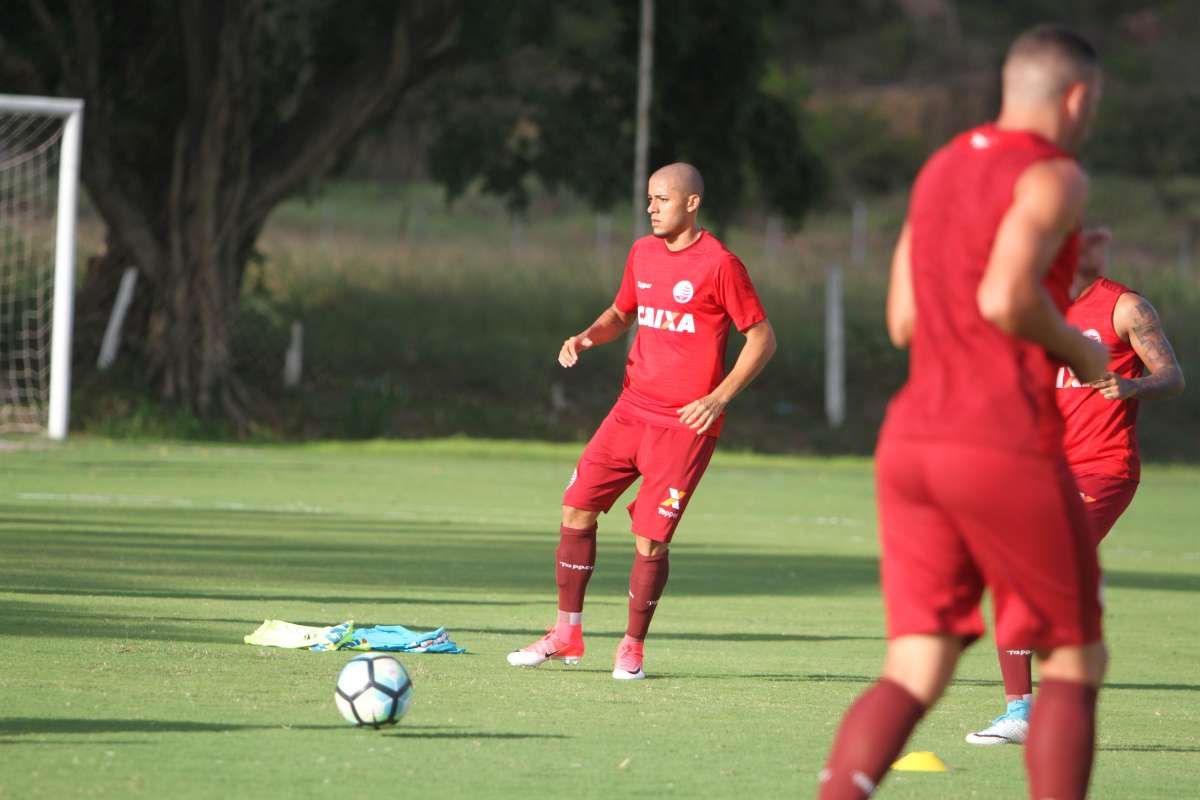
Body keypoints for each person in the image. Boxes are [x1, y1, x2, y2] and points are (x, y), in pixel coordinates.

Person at [818, 25, 1111, 800]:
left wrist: (1056, 270)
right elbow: (1004, 297)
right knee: (1075, 659)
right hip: (1000, 439)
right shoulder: (1056, 174)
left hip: (911, 442)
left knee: (915, 667)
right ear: (1077, 97)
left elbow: (904, 320)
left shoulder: (941, 166)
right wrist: (1081, 350)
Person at [506, 162, 776, 680]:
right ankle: (566, 634)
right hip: (629, 411)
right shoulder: (642, 253)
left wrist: (718, 398)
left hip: (684, 426)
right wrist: (587, 336)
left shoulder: (720, 263)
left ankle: (632, 647)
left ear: (691, 203)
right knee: (576, 508)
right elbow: (622, 312)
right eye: (648, 199)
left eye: (661, 199)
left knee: (650, 540)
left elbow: (762, 338)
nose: (650, 207)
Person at [965, 227, 1185, 745]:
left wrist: (1133, 384)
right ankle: (1025, 707)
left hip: (1103, 469)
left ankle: (1036, 705)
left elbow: (1173, 376)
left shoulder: (1126, 308)